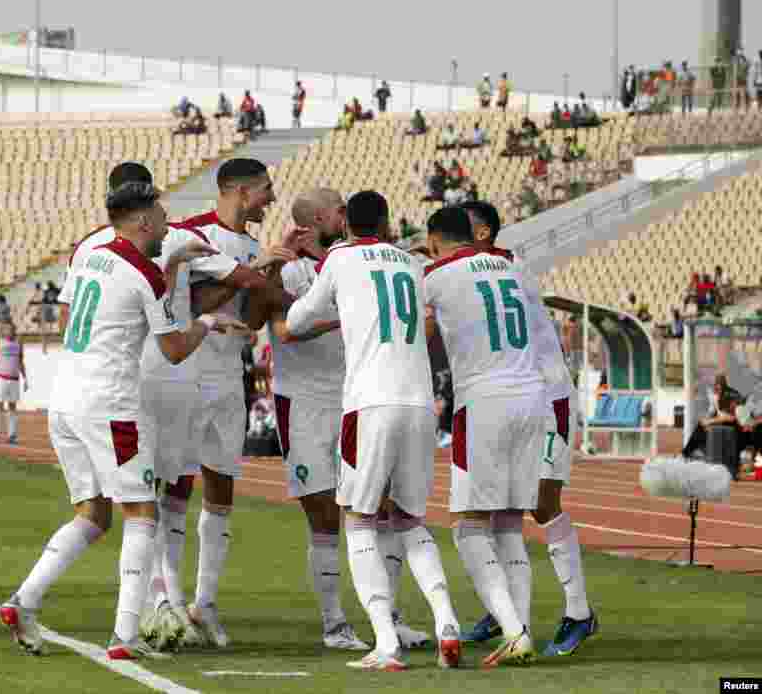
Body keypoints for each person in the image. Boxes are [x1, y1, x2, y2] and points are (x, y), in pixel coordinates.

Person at [0, 181, 244, 659]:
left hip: (64, 399)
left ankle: (24, 600)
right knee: (142, 513)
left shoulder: (88, 255)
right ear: (142, 221)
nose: (167, 226)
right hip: (110, 404)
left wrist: (172, 265)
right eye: (161, 218)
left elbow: (99, 313)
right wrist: (209, 323)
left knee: (92, 514)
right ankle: (125, 636)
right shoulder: (142, 274)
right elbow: (173, 349)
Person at [55, 162, 283, 650]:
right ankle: (158, 606)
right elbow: (241, 279)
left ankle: (161, 604)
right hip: (165, 373)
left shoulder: (87, 248)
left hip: (104, 384)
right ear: (142, 208)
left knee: (129, 502)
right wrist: (264, 266)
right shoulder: (175, 237)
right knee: (162, 496)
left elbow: (67, 320)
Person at [286, 191, 462, 672]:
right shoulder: (409, 263)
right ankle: (446, 619)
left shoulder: (340, 257)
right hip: (421, 402)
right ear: (385, 223)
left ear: (345, 225)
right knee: (409, 520)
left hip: (370, 403)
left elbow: (297, 319)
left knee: (359, 519)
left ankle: (385, 642)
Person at [456, 200, 598, 658]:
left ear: (481, 235)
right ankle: (508, 613)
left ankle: (579, 612)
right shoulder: (488, 268)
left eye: (463, 231)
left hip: (547, 393)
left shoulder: (505, 264)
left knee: (542, 503)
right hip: (517, 397)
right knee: (502, 507)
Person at [423, 205, 547, 666]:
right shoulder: (511, 264)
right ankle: (522, 628)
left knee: (469, 527)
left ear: (435, 239)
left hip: (485, 401)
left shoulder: (435, 273)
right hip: (530, 394)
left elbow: (410, 322)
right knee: (510, 525)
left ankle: (514, 632)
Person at [261, 188, 375, 652]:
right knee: (324, 516)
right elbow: (284, 332)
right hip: (303, 401)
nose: (345, 218)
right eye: (339, 211)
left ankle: (387, 615)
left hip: (353, 396)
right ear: (315, 220)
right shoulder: (287, 267)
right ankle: (334, 623)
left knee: (374, 509)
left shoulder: (349, 261)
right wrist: (345, 320)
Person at [0, 322, 27, 445]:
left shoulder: (19, 344)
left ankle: (12, 435)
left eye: (12, 329)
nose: (10, 332)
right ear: (3, 331)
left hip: (14, 379)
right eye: (7, 329)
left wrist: (25, 378)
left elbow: (21, 361)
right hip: (1, 378)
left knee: (12, 407)